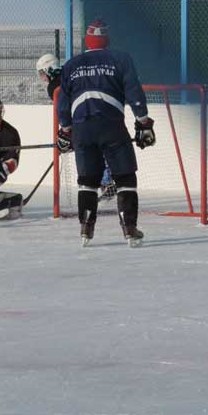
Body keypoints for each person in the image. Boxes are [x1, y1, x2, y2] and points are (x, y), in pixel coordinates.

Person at [55, 19, 156, 247]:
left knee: (87, 181)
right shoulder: (121, 59)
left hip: (82, 130)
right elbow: (134, 91)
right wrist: (144, 121)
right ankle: (129, 229)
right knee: (125, 177)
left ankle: (85, 230)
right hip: (112, 127)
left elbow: (63, 102)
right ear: (107, 39)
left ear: (87, 40)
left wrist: (64, 129)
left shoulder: (72, 64)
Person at [37, 52, 116, 202]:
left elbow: (64, 108)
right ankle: (107, 182)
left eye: (42, 73)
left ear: (49, 69)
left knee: (90, 152)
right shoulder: (70, 74)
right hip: (98, 114)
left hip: (82, 122)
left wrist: (66, 131)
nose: (42, 77)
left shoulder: (54, 86)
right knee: (100, 149)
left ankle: (104, 182)